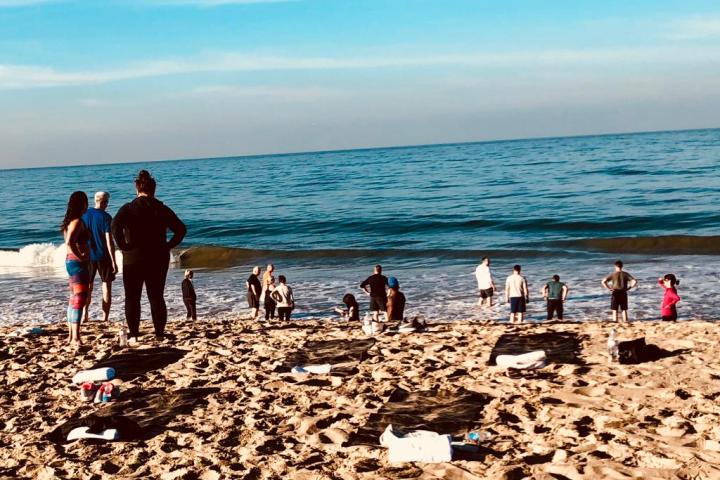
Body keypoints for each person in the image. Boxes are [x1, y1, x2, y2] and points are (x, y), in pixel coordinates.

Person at [111, 170, 186, 343]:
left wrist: (124, 246)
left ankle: (134, 335)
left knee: (132, 297)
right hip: (158, 257)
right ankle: (159, 333)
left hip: (133, 258)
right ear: (153, 190)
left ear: (137, 189)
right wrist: (168, 245)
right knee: (156, 296)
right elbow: (181, 230)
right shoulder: (161, 208)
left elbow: (115, 226)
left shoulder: (128, 208)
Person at [81, 191, 118, 323]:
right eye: (107, 202)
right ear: (104, 202)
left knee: (87, 287)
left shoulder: (84, 215)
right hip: (103, 256)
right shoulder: (106, 217)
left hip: (88, 256)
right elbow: (109, 241)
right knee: (106, 287)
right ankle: (105, 318)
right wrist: (114, 261)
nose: (107, 204)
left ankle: (85, 315)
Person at [62, 191, 91, 348]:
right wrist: (81, 255)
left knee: (74, 298)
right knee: (80, 299)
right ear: (82, 204)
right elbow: (69, 242)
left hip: (71, 262)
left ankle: (71, 336)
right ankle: (76, 338)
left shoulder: (69, 221)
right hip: (77, 263)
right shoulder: (77, 221)